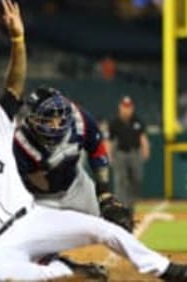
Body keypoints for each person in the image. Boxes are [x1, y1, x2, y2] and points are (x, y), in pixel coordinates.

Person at [0, 0, 187, 282]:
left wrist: (17, 41)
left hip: (36, 219)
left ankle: (164, 268)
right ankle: (61, 271)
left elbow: (14, 86)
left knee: (104, 228)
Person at [13, 87, 133, 231]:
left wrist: (104, 192)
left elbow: (97, 149)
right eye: (48, 119)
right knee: (34, 243)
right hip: (39, 199)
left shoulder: (79, 119)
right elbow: (14, 184)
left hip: (76, 186)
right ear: (31, 119)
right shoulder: (19, 143)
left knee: (115, 225)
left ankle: (141, 253)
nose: (55, 125)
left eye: (58, 117)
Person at [109, 96, 150, 216]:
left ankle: (131, 205)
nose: (127, 109)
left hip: (134, 153)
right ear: (120, 107)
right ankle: (121, 208)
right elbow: (109, 141)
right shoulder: (115, 122)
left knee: (137, 179)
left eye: (129, 107)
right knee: (121, 181)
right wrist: (109, 155)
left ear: (132, 108)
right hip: (120, 154)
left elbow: (142, 137)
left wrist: (145, 149)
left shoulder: (137, 121)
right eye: (124, 107)